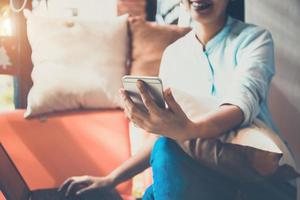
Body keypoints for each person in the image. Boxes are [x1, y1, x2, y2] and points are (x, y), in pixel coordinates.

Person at [58, 0, 297, 199]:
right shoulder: (174, 54)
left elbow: (241, 102)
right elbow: (165, 134)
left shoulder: (254, 39)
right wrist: (111, 179)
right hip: (198, 174)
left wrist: (188, 129)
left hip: (251, 172)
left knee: (165, 156)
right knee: (162, 157)